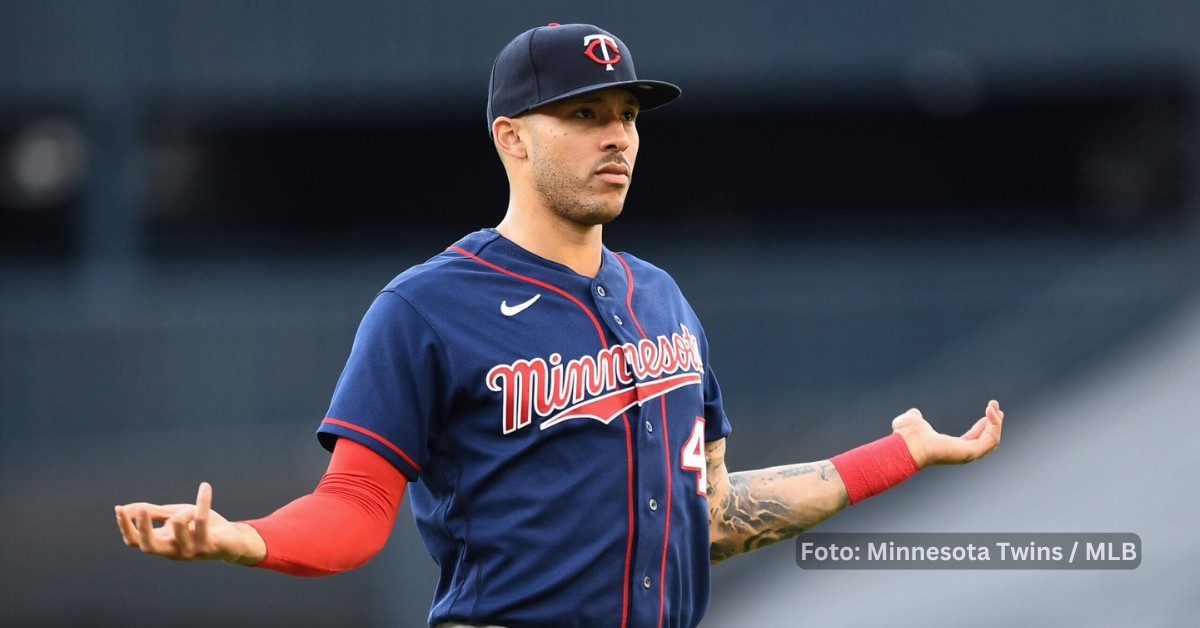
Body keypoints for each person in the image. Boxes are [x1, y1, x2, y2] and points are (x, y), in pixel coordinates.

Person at [114, 22, 1004, 628]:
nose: (616, 136)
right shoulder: (426, 308)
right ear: (513, 139)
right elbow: (352, 510)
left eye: (625, 115)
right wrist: (247, 540)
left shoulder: (662, 298)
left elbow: (715, 516)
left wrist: (899, 455)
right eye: (583, 115)